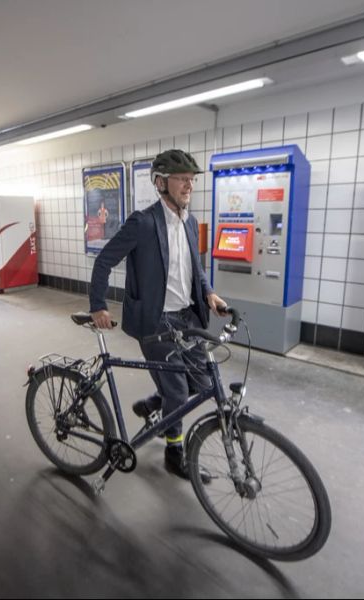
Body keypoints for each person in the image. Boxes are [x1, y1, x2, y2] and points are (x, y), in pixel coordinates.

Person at [89, 149, 227, 479]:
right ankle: (174, 451)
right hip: (156, 321)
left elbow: (195, 267)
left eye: (191, 180)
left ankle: (155, 402)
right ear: (161, 183)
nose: (188, 186)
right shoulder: (143, 222)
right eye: (182, 179)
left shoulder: (190, 222)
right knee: (179, 392)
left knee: (202, 381)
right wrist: (98, 305)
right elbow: (104, 261)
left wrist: (208, 292)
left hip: (187, 318)